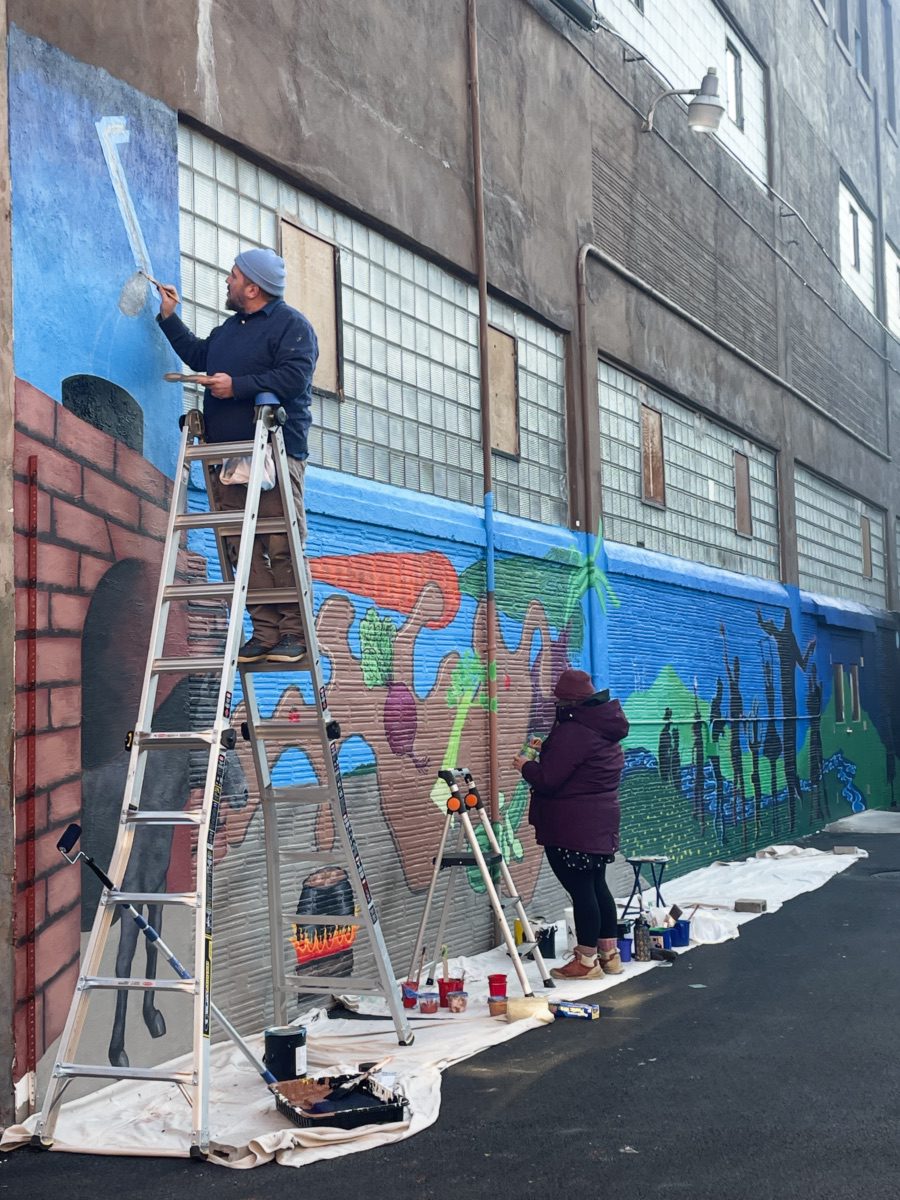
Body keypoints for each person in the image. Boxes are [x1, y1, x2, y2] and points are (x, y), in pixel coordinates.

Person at [154, 249, 318, 664]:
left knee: (280, 544)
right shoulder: (230, 330)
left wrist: (238, 386)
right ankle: (264, 633)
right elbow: (198, 354)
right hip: (227, 456)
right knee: (238, 547)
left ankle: (294, 634)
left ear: (253, 286)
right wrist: (169, 317)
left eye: (233, 275)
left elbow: (294, 379)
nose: (227, 281)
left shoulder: (292, 327)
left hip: (272, 454)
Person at [513, 668, 630, 980]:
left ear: (565, 700)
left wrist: (526, 765)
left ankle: (586, 961)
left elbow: (549, 780)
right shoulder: (603, 727)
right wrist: (547, 750)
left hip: (572, 824)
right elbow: (579, 768)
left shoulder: (574, 731)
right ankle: (609, 955)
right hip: (600, 820)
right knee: (597, 886)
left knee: (581, 891)